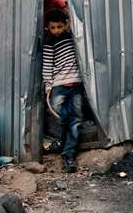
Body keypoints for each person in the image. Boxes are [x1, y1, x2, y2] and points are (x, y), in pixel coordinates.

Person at [43, 9, 83, 173]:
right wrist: (48, 85)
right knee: (61, 115)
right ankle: (64, 142)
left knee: (76, 119)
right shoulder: (49, 43)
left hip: (76, 84)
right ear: (48, 28)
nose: (57, 30)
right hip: (58, 85)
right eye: (53, 27)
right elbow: (47, 66)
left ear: (66, 24)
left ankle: (69, 154)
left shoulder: (73, 39)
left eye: (60, 26)